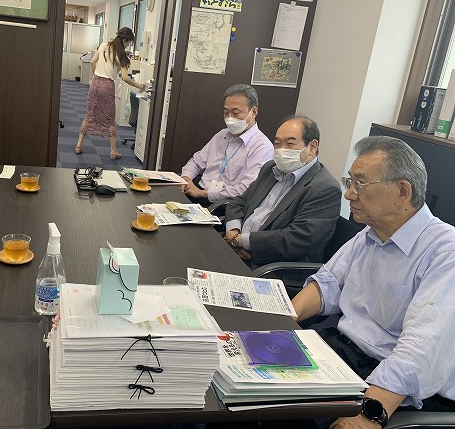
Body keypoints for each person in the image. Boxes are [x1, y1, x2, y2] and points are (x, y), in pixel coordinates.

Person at [293, 136, 455, 428]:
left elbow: (419, 350)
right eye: (350, 182)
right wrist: (283, 317)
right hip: (338, 349)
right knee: (247, 389)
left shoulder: (445, 251)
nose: (349, 194)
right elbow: (328, 284)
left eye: (360, 184)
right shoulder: (370, 232)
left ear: (402, 191)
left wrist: (368, 415)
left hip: (386, 382)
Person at [223, 115, 341, 267]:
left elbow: (296, 239)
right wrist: (233, 232)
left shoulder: (325, 189)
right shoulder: (270, 169)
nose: (281, 150)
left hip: (269, 266)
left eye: (290, 143)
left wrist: (241, 241)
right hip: (234, 248)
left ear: (312, 147)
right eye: (277, 143)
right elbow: (239, 202)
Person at [180, 84, 273, 205]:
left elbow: (246, 189)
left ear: (253, 112)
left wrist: (202, 193)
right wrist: (186, 178)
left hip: (225, 205)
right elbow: (196, 162)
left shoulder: (262, 147)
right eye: (226, 112)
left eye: (235, 112)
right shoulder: (222, 135)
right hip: (197, 194)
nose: (229, 118)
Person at [75, 27, 146, 159]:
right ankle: (113, 151)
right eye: (129, 42)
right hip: (107, 86)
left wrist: (96, 75)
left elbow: (92, 62)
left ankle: (79, 145)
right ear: (124, 40)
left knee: (90, 114)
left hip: (95, 83)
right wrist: (139, 85)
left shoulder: (104, 46)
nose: (128, 45)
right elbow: (125, 78)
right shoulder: (122, 56)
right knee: (110, 118)